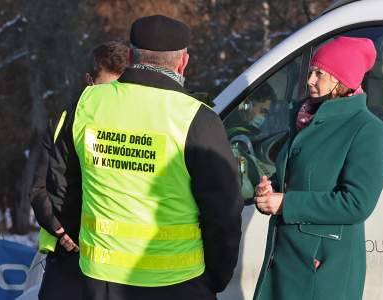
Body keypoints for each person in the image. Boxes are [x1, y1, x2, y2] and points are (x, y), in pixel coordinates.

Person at [49, 15, 243, 300]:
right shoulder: (195, 118)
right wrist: (215, 277)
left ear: (129, 56)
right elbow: (223, 212)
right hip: (178, 282)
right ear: (183, 62)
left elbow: (61, 187)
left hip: (99, 281)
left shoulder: (86, 104)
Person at [253, 36, 383, 300]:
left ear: (341, 81)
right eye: (311, 72)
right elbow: (300, 178)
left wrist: (285, 204)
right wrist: (268, 190)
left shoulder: (369, 130)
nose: (310, 80)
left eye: (319, 73)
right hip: (287, 259)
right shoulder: (307, 118)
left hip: (322, 271)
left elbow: (357, 203)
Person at [30, 40, 129, 300]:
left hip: (117, 264)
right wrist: (62, 234)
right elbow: (39, 189)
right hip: (69, 260)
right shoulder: (63, 122)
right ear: (88, 81)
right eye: (105, 89)